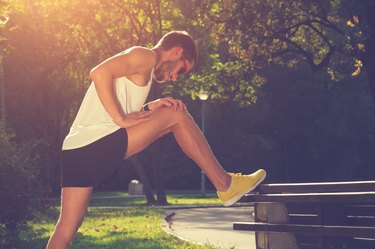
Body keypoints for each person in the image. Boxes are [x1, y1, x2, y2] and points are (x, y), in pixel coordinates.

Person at [46, 30, 266, 249]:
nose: (173, 78)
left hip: (76, 148)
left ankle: (226, 184)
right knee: (177, 114)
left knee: (65, 228)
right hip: (97, 142)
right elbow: (99, 72)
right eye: (180, 70)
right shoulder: (146, 56)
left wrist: (148, 108)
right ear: (177, 51)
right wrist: (121, 119)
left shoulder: (142, 67)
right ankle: (225, 184)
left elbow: (116, 104)